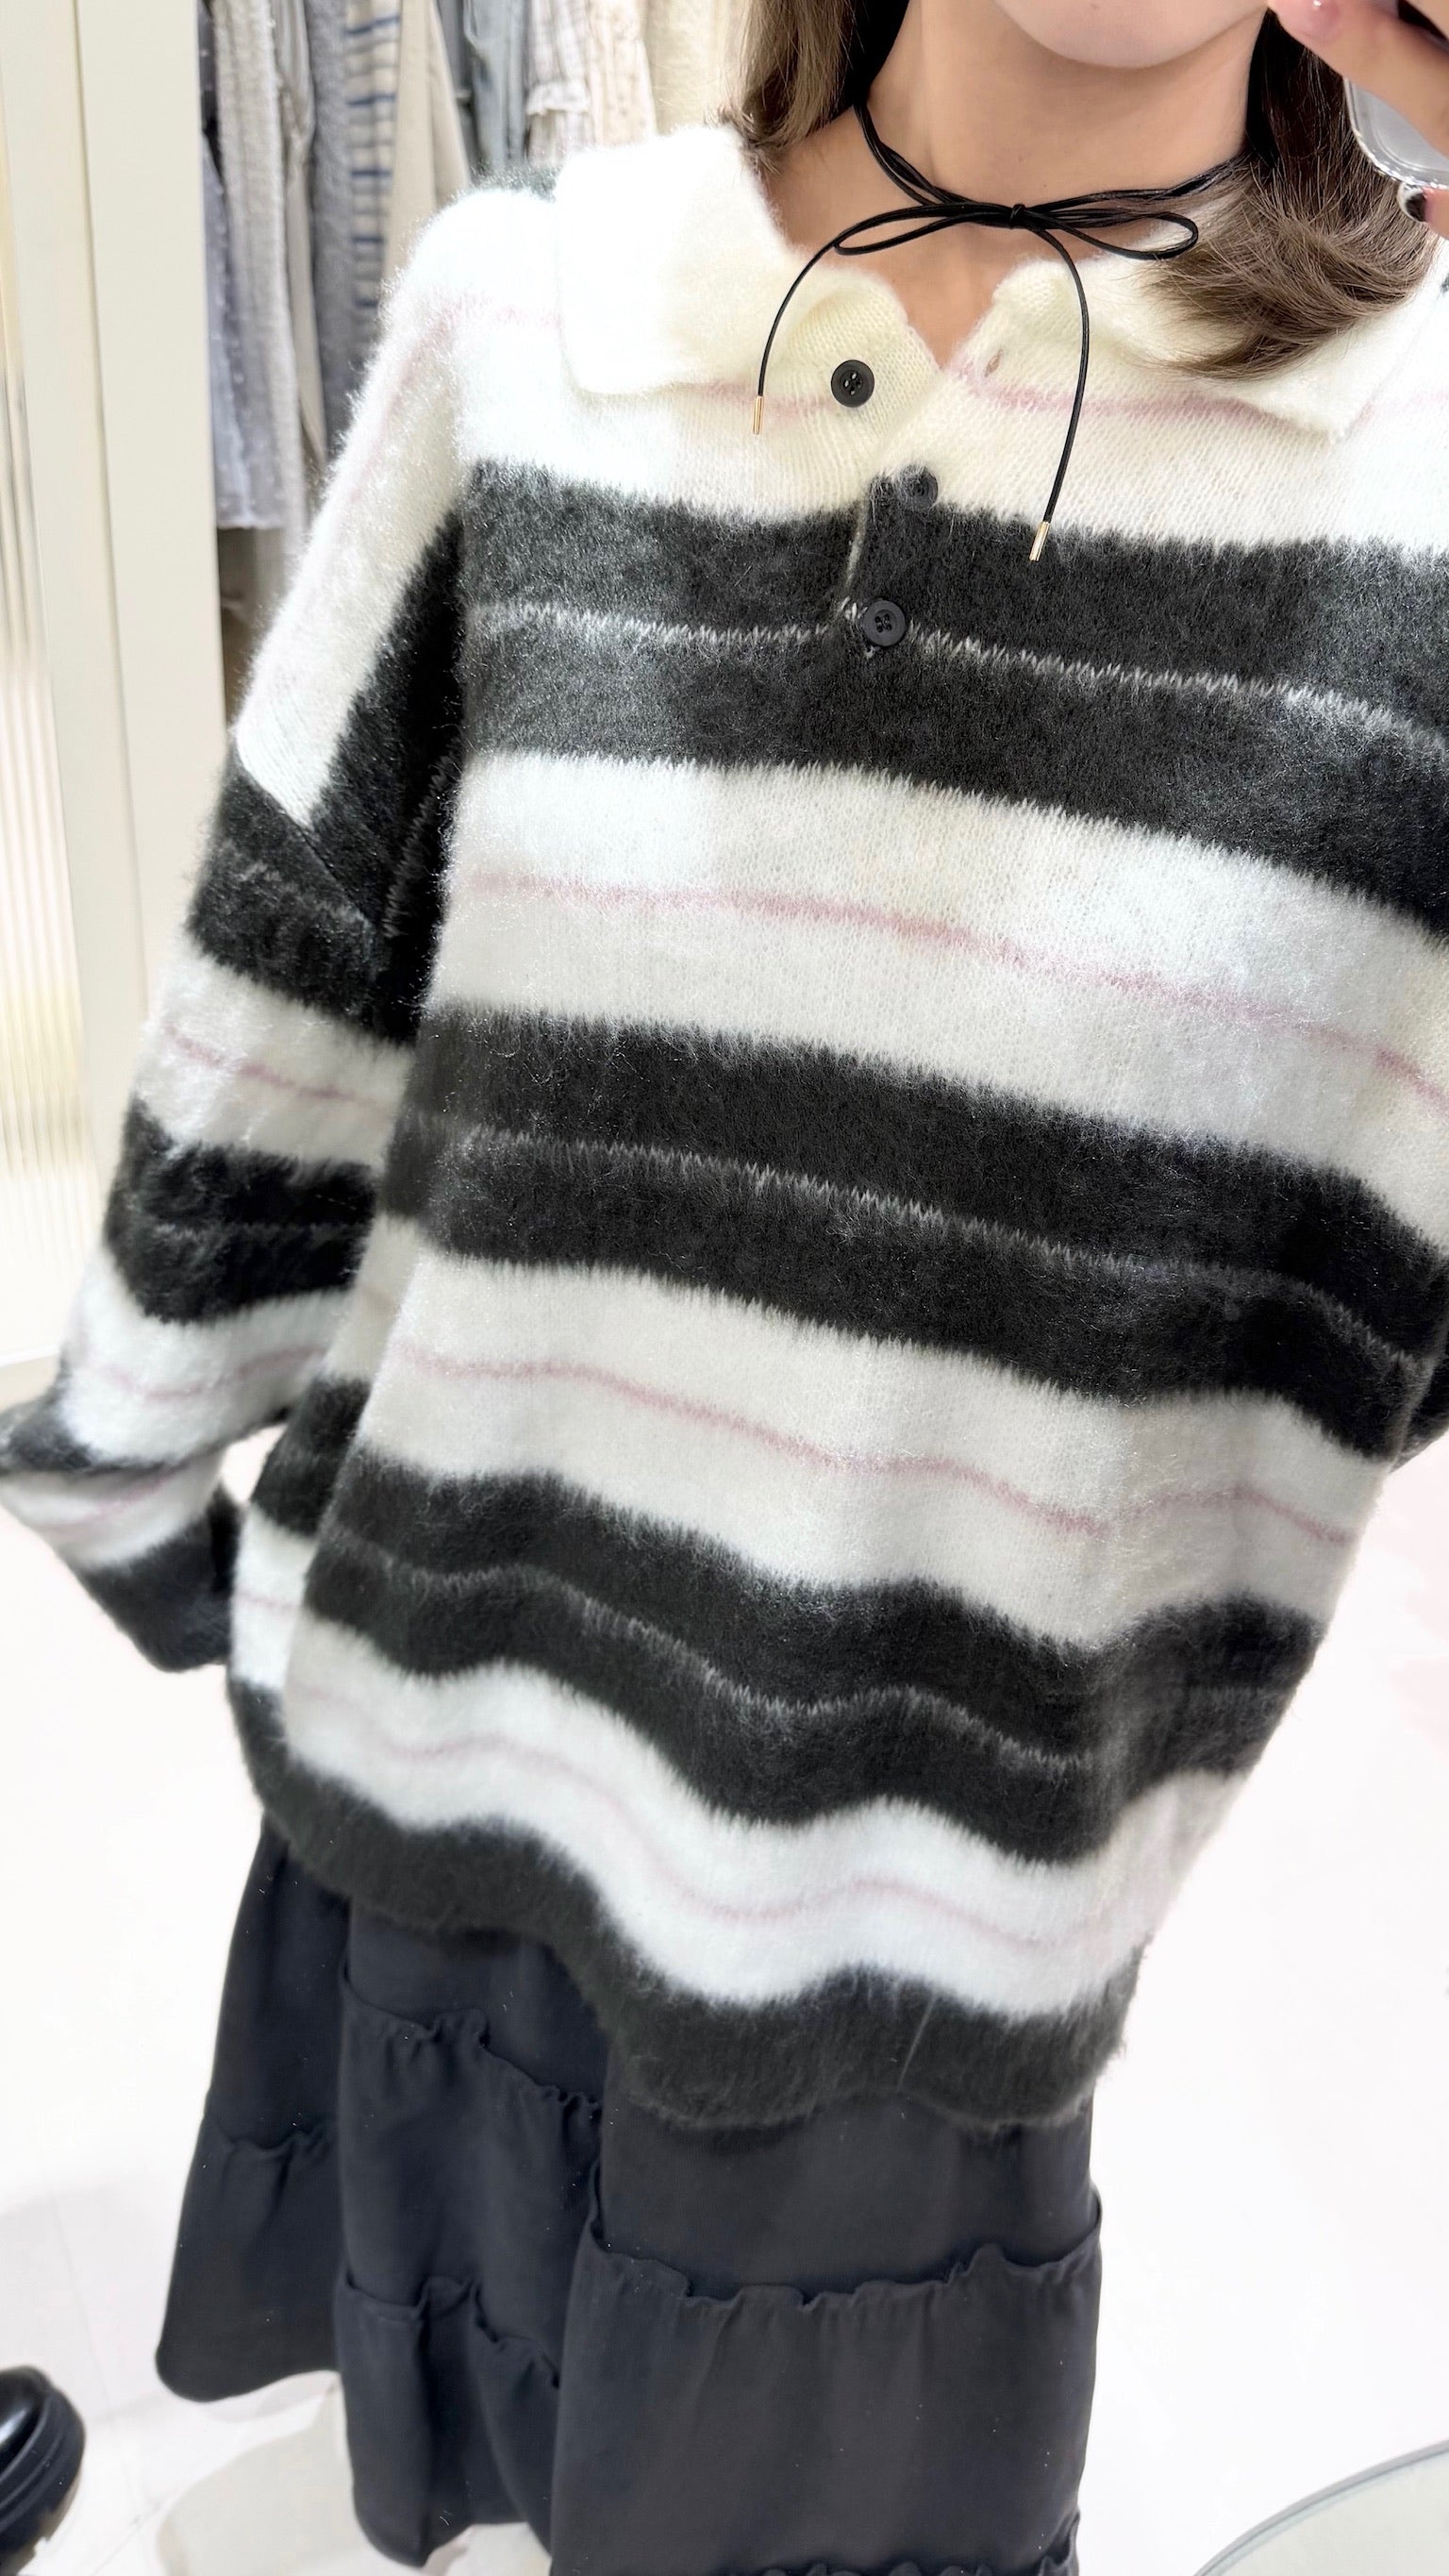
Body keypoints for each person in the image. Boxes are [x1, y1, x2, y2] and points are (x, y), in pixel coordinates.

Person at [3, 4, 1447, 2569]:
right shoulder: (537, 320)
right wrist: (135, 1450)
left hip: (894, 2007)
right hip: (441, 1796)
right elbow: (296, 964)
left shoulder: (1421, 492)